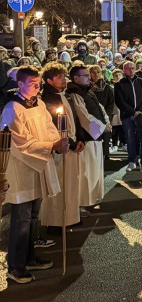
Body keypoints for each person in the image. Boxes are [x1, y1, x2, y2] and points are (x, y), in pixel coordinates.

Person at [1, 66, 69, 283]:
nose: (37, 86)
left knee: (33, 217)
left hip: (38, 166)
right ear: (20, 84)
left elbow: (49, 128)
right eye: (32, 83)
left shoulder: (38, 104)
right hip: (22, 169)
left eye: (38, 83)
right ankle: (15, 266)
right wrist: (51, 146)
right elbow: (19, 143)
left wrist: (57, 142)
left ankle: (29, 258)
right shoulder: (12, 109)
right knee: (21, 219)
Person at [40, 63, 83, 231]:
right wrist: (70, 143)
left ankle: (70, 217)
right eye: (59, 77)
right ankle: (56, 221)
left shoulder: (65, 95)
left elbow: (75, 118)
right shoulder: (48, 99)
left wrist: (80, 138)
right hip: (61, 147)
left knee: (71, 184)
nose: (64, 79)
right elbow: (54, 125)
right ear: (49, 80)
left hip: (72, 144)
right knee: (59, 185)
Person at [66, 64, 109, 208]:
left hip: (95, 137)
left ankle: (91, 199)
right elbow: (83, 116)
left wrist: (106, 121)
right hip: (88, 138)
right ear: (75, 78)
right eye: (85, 75)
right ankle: (83, 203)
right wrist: (102, 127)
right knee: (86, 173)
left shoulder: (86, 91)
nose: (89, 77)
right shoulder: (75, 93)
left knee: (94, 171)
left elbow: (99, 107)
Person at [114, 60, 142, 172]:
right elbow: (119, 101)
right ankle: (132, 161)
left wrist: (140, 111)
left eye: (132, 68)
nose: (131, 70)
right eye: (128, 68)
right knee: (130, 139)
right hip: (127, 116)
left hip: (141, 115)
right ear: (124, 70)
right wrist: (132, 112)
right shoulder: (119, 84)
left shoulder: (141, 81)